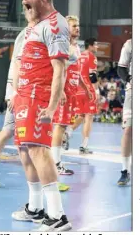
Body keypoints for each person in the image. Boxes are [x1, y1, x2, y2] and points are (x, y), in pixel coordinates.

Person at [0, 24, 70, 192]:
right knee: (36, 140)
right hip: (24, 94)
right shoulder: (33, 34)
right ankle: (49, 180)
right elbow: (19, 64)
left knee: (8, 131)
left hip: (20, 91)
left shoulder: (34, 33)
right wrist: (15, 93)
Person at [11, 0, 72, 231]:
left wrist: (51, 105)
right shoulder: (34, 26)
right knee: (25, 152)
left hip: (38, 97)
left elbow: (60, 69)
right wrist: (14, 94)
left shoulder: (55, 25)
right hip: (24, 97)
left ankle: (58, 216)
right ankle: (35, 208)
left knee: (38, 150)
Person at [51, 15, 91, 174]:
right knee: (59, 126)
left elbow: (76, 70)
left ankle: (56, 159)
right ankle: (55, 164)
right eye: (74, 26)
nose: (77, 28)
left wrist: (85, 87)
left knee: (64, 126)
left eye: (78, 25)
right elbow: (58, 70)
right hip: (64, 91)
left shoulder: (76, 46)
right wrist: (60, 91)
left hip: (73, 92)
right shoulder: (63, 45)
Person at [65, 38, 99, 154]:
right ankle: (84, 146)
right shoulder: (91, 57)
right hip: (88, 90)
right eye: (96, 45)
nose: (97, 47)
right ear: (90, 45)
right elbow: (92, 77)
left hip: (77, 89)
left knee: (81, 115)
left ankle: (68, 131)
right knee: (89, 117)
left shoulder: (79, 56)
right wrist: (96, 91)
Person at [117, 39, 132, 185]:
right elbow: (121, 68)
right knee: (128, 130)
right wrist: (129, 78)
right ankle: (125, 171)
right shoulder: (130, 44)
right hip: (132, 94)